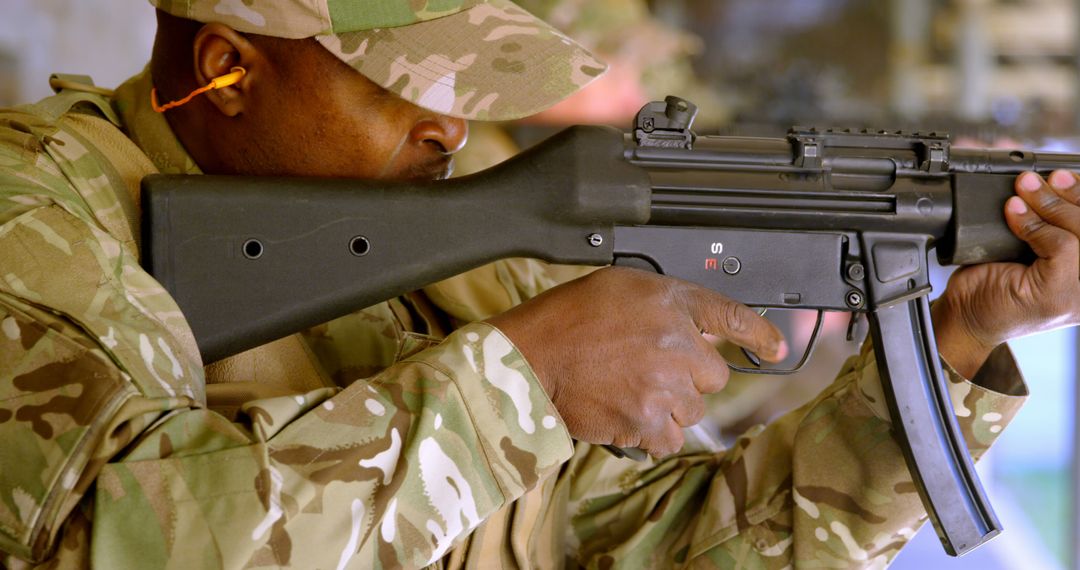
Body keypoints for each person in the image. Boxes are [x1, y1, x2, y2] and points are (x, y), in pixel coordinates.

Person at [0, 1, 1075, 568]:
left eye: (465, 88)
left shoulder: (451, 254)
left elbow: (666, 551)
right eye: (406, 85)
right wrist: (520, 383)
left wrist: (953, 345)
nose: (451, 126)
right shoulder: (33, 217)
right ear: (225, 67)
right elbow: (108, 546)